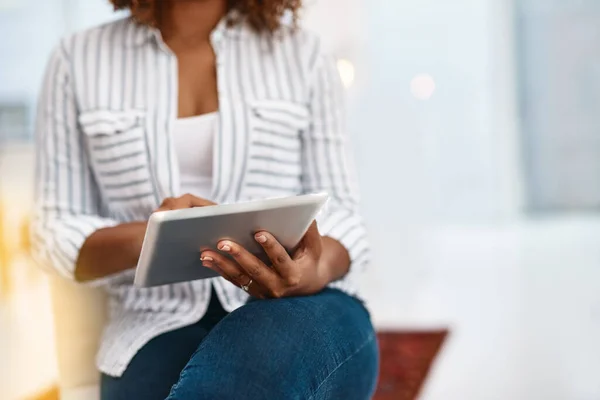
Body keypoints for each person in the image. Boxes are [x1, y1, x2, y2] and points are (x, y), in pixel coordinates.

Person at [31, 0, 378, 399]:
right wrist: (159, 235)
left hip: (303, 308)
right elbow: (54, 231)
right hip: (151, 323)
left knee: (262, 350)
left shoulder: (302, 53)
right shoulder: (77, 60)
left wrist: (313, 269)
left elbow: (346, 217)